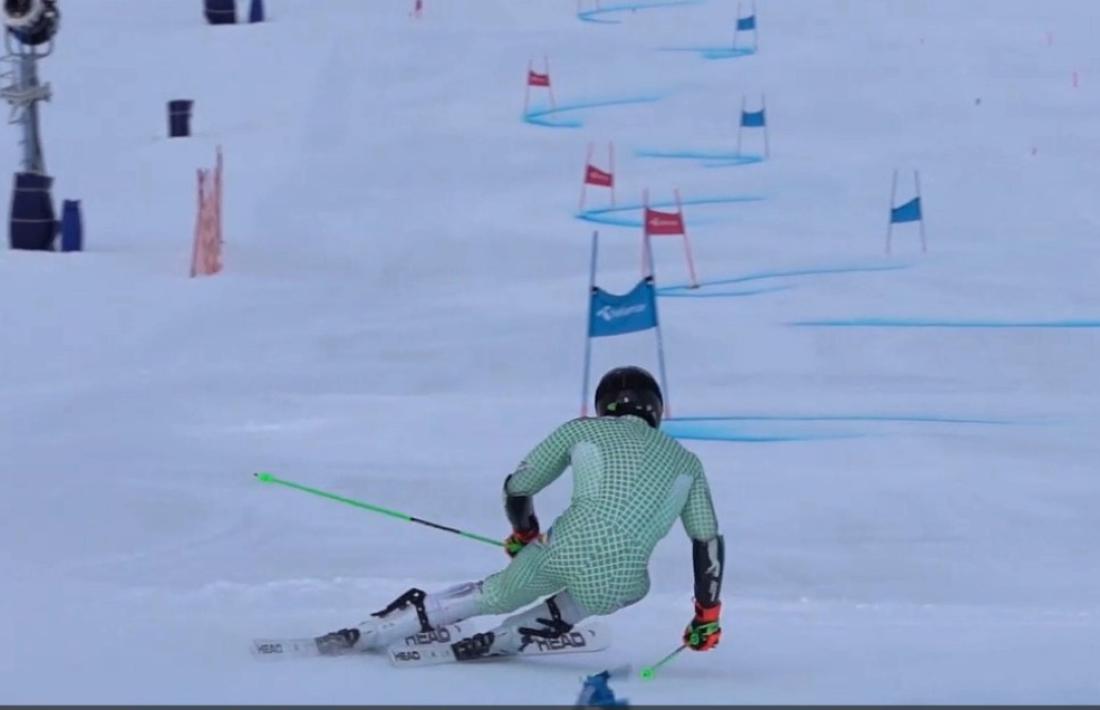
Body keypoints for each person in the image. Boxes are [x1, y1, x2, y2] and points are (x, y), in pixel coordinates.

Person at [318, 365, 724, 659]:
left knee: (493, 593)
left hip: (561, 548)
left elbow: (519, 487)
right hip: (620, 582)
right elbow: (707, 543)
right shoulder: (687, 463)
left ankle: (374, 631)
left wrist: (526, 534)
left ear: (603, 405)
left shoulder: (583, 430)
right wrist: (707, 616)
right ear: (655, 409)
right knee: (634, 585)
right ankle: (512, 636)